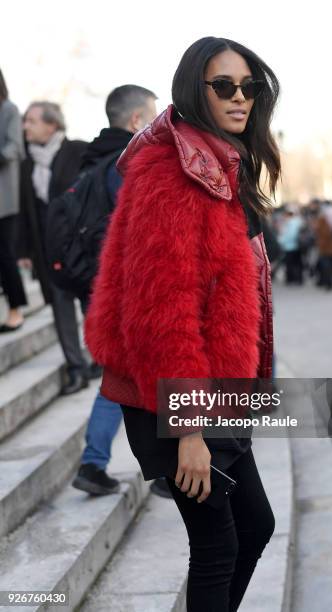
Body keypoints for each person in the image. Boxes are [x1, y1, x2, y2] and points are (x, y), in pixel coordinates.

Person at [84, 36, 277, 611]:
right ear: (196, 90)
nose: (240, 98)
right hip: (182, 399)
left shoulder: (219, 165)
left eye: (250, 87)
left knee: (256, 527)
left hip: (220, 391)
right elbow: (159, 313)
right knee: (218, 547)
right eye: (224, 87)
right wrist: (189, 430)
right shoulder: (173, 172)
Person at [72, 84, 159, 496]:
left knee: (121, 376)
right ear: (137, 120)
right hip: (132, 289)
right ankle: (170, 469)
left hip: (100, 287)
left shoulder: (89, 163)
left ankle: (93, 463)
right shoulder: (128, 164)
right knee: (156, 370)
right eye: (153, 116)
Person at [19, 101, 92, 394]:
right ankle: (76, 369)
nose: (26, 127)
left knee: (93, 311)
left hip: (82, 250)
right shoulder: (27, 163)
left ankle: (102, 360)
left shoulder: (78, 150)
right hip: (48, 253)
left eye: (32, 121)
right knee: (61, 314)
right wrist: (24, 250)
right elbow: (27, 210)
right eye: (25, 121)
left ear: (52, 125)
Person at [0, 69, 27, 332]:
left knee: (5, 256)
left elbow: (14, 149)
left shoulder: (8, 109)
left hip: (4, 200)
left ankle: (16, 310)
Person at [278, 204, 303, 284]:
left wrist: (281, 241)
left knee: (290, 264)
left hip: (290, 246)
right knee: (297, 263)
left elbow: (290, 235)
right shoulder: (299, 221)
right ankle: (298, 279)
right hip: (297, 246)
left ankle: (291, 279)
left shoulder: (291, 223)